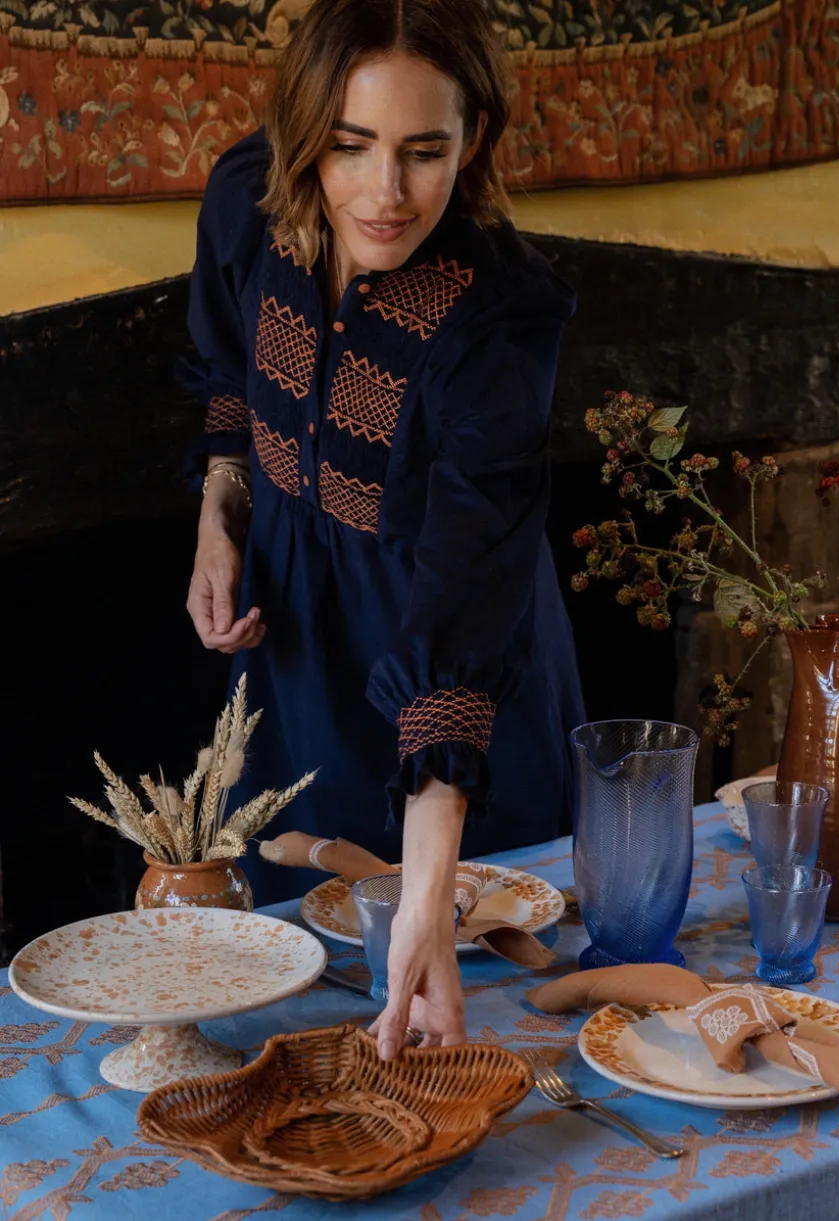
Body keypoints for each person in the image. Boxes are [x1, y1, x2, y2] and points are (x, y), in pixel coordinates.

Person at [181, 0, 584, 1060]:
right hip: (296, 658)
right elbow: (228, 376)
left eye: (424, 152)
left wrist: (428, 880)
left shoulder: (500, 313)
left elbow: (469, 564)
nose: (385, 193)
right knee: (291, 986)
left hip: (456, 661)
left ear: (475, 139)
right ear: (304, 130)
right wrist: (222, 513)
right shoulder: (244, 203)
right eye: (350, 145)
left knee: (480, 1004)